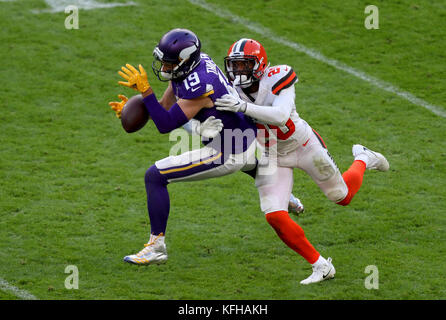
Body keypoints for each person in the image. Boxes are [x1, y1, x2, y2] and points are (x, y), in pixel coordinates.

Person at [107, 29, 304, 266]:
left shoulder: (199, 86)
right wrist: (135, 109)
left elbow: (166, 125)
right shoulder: (196, 64)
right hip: (243, 136)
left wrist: (146, 92)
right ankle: (283, 194)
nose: (165, 69)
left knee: (155, 176)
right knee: (250, 160)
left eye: (170, 64)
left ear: (184, 61)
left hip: (227, 150)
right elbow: (164, 107)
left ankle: (156, 247)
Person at [215, 38, 389, 285]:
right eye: (235, 66)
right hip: (272, 156)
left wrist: (242, 106)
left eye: (245, 65)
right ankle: (321, 265)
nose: (238, 71)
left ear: (260, 64)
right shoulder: (231, 90)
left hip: (304, 146)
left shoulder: (277, 77)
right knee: (274, 214)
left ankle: (363, 157)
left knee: (342, 197)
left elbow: (281, 115)